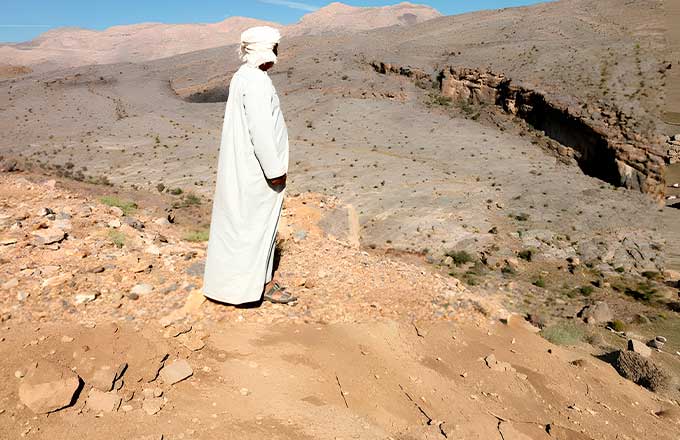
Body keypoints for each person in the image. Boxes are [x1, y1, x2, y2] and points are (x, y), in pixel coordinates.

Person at [202, 26, 296, 305]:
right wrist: (275, 172)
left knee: (243, 227)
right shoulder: (256, 81)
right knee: (252, 229)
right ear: (266, 49)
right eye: (275, 46)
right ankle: (245, 289)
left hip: (245, 168)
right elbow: (261, 131)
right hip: (257, 173)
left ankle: (248, 284)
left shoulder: (244, 77)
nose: (278, 51)